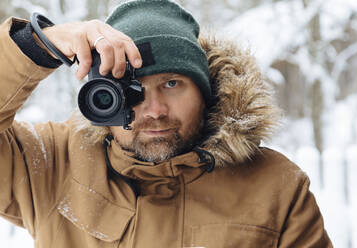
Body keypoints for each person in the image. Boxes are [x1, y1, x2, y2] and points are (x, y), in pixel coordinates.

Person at [0, 0, 333, 247]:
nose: (155, 109)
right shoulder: (52, 164)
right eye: (133, 90)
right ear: (103, 95)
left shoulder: (276, 187)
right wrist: (36, 45)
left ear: (205, 90)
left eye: (172, 83)